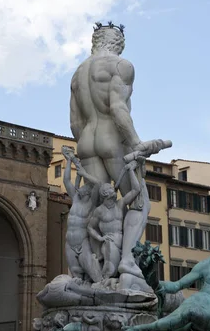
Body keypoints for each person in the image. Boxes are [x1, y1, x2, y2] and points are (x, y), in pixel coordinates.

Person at [70, 23, 171, 280]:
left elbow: (74, 124)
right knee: (138, 200)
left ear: (95, 41)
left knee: (94, 208)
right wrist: (136, 142)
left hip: (86, 143)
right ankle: (125, 261)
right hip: (112, 139)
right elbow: (117, 108)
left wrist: (87, 146)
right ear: (119, 43)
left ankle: (91, 274)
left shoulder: (78, 73)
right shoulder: (121, 66)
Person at [87, 160, 142, 280]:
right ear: (105, 193)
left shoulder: (120, 204)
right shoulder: (99, 211)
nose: (113, 190)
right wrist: (100, 238)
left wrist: (131, 171)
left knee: (129, 268)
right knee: (111, 271)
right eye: (111, 189)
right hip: (109, 242)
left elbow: (136, 190)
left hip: (123, 242)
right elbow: (90, 227)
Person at [62, 146, 103, 282]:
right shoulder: (75, 198)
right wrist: (68, 161)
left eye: (84, 187)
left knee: (93, 272)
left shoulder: (91, 203)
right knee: (75, 275)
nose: (80, 188)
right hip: (69, 242)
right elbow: (66, 180)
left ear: (88, 191)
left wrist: (84, 174)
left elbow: (98, 183)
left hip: (82, 242)